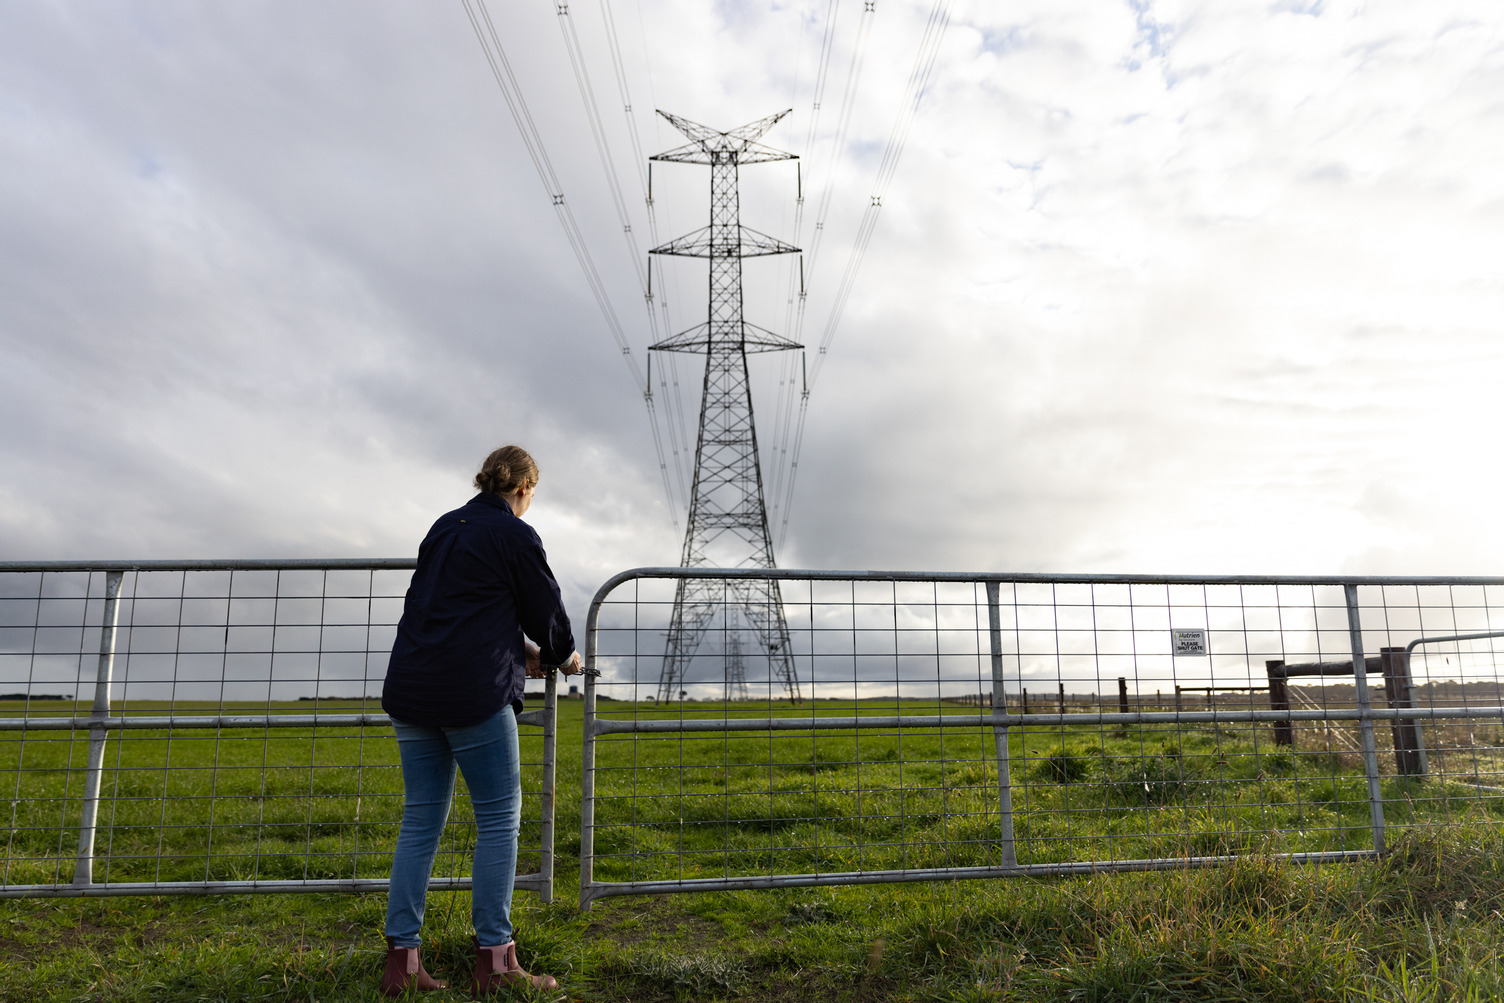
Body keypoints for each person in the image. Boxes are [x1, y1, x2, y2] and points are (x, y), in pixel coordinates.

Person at [379, 445, 582, 997]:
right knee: (498, 819)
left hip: (413, 685)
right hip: (472, 693)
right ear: (522, 490)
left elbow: (450, 611)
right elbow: (548, 610)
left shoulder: (443, 528)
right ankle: (495, 961)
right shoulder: (516, 534)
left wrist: (516, 649)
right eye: (532, 496)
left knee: (420, 820)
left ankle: (402, 965)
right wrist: (560, 654)